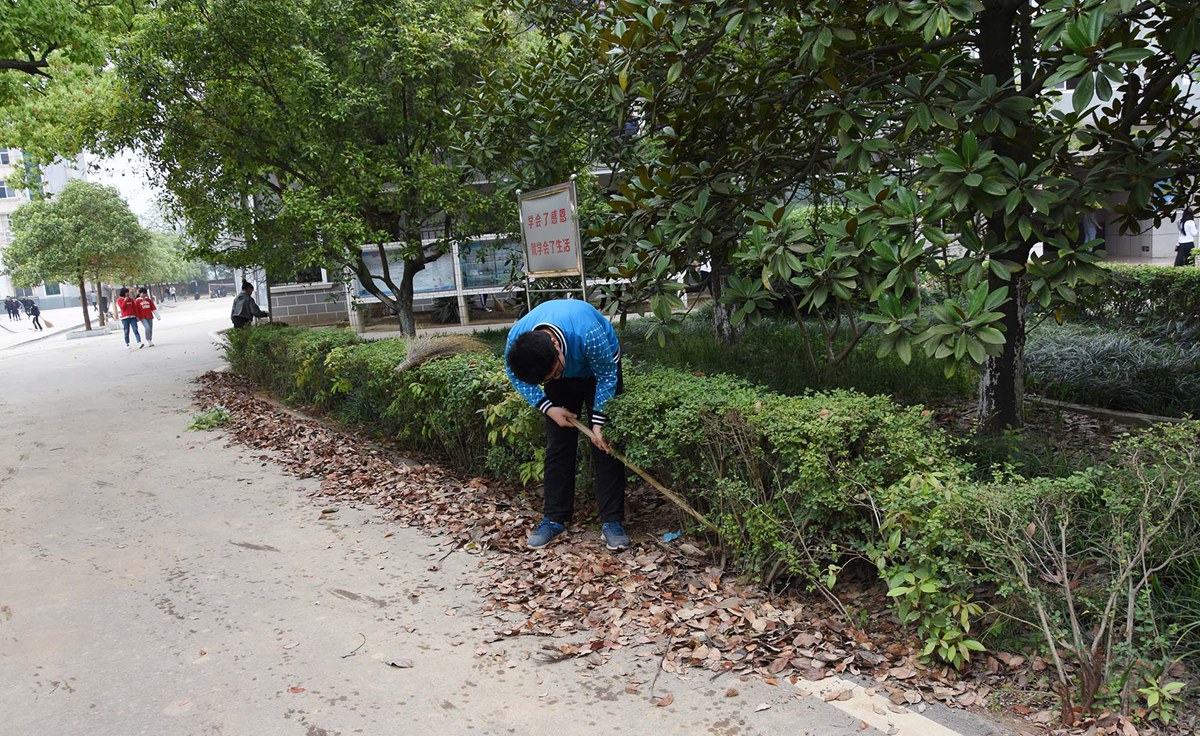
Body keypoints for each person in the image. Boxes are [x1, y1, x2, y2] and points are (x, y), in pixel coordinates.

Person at [504, 299, 628, 551]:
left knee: (605, 445)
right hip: (557, 370)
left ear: (556, 345)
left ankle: (612, 522)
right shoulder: (517, 343)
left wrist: (599, 422)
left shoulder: (587, 332)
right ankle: (554, 518)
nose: (558, 377)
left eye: (556, 372)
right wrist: (548, 407)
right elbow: (516, 377)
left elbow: (607, 375)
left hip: (598, 371)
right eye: (549, 378)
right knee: (558, 445)